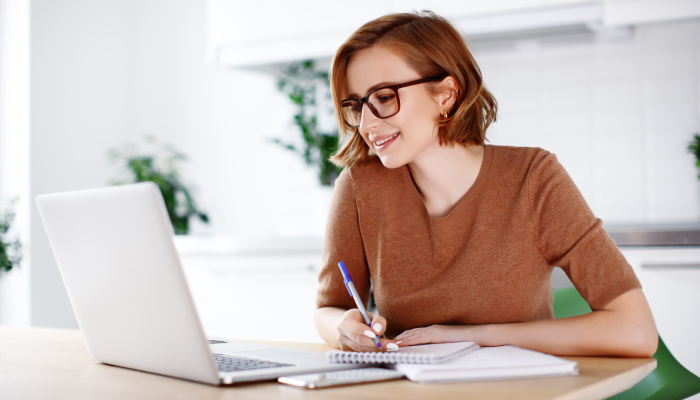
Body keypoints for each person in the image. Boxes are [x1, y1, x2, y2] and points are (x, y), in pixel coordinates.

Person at [314, 11, 658, 357]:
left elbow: (635, 330)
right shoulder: (359, 187)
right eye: (356, 105)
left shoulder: (533, 177)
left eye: (384, 98)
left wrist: (477, 336)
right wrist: (343, 327)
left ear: (446, 94)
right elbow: (327, 310)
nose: (367, 123)